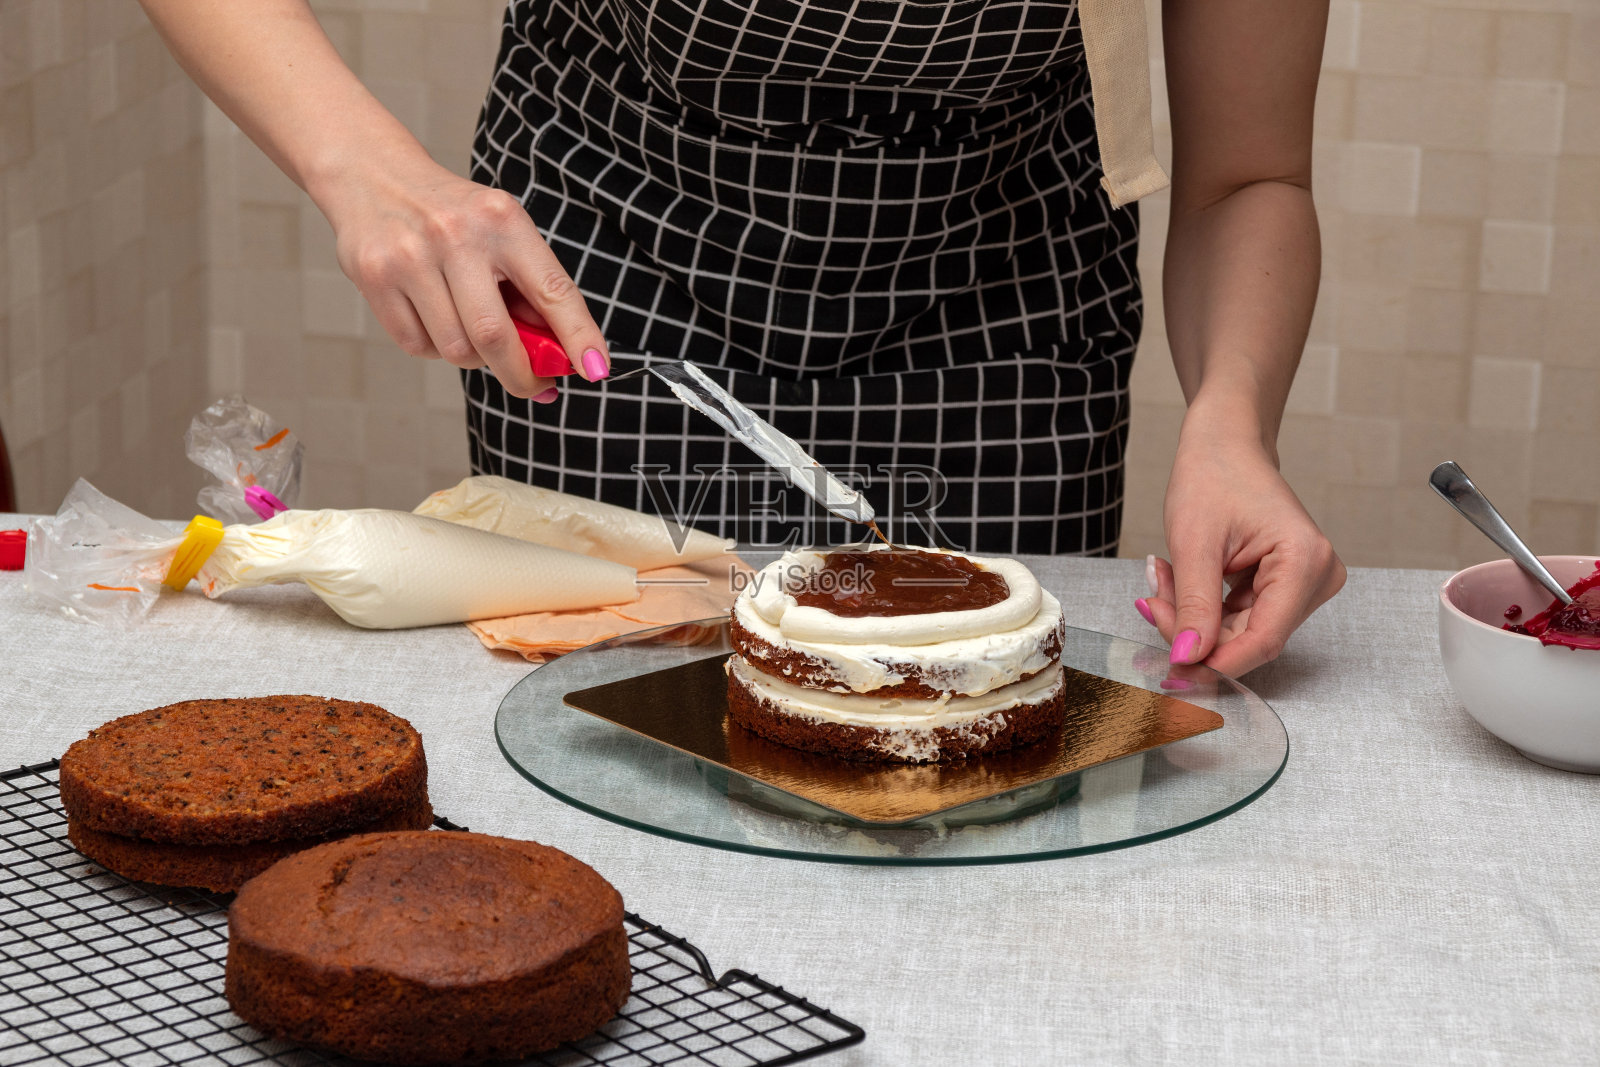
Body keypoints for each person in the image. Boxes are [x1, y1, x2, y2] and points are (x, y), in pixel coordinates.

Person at [137, 0, 1345, 676]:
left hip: (998, 295)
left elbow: (1249, 176)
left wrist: (1231, 421)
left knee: (971, 746)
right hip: (620, 271)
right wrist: (364, 169)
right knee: (610, 734)